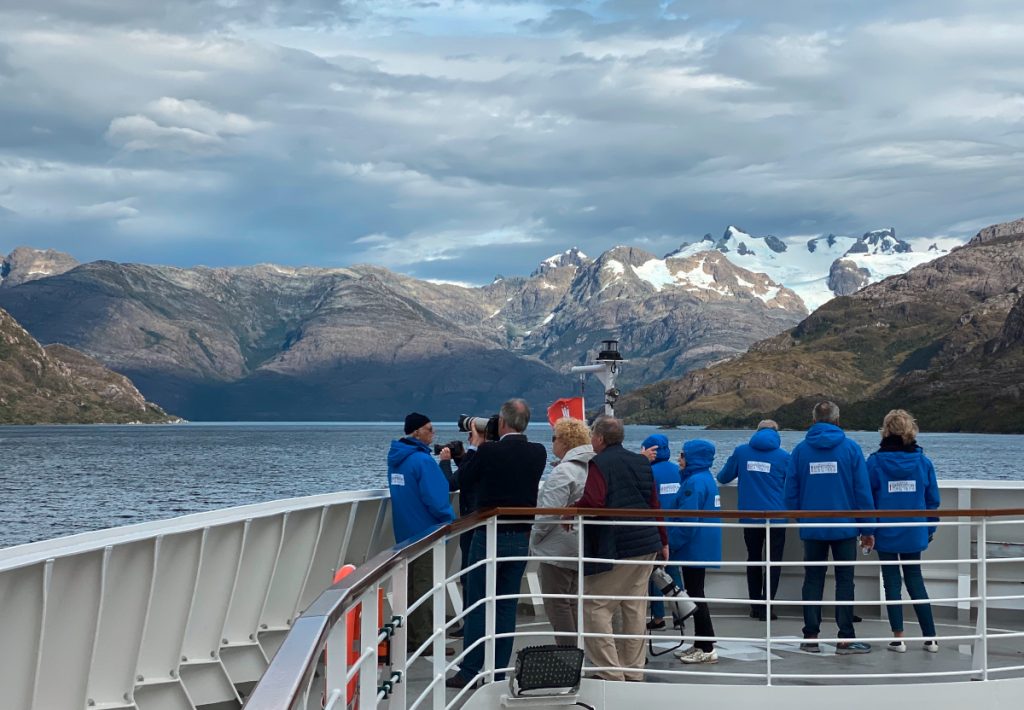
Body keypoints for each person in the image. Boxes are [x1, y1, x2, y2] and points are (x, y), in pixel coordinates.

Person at [446, 399, 547, 689]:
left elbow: (461, 479)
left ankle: (470, 671)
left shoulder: (488, 451)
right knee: (505, 606)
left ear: (502, 423)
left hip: (489, 535)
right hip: (520, 538)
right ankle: (499, 672)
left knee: (478, 604)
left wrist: (477, 445)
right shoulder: (538, 452)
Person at [576, 416, 667, 682]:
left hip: (620, 544)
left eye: (593, 435)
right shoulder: (641, 462)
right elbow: (654, 503)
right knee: (634, 607)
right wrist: (663, 540)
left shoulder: (600, 463)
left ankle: (610, 672)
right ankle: (633, 670)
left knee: (595, 606)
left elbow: (593, 500)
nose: (591, 439)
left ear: (600, 439)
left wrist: (571, 512)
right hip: (646, 542)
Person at [784, 401, 875, 654]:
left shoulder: (800, 451)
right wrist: (868, 530)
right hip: (845, 530)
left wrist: (801, 519)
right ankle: (845, 638)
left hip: (812, 529)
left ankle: (810, 637)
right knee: (845, 581)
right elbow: (862, 493)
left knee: (812, 579)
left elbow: (790, 493)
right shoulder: (851, 449)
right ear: (837, 420)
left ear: (813, 421)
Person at [867, 409, 941, 653]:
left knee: (891, 583)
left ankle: (898, 638)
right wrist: (928, 528)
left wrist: (868, 530)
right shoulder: (922, 462)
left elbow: (868, 500)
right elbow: (932, 500)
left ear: (886, 430)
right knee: (915, 580)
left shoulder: (875, 462)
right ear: (911, 430)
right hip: (913, 531)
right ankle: (930, 638)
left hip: (885, 531)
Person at [386, 412, 456, 655]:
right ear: (416, 432)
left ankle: (408, 637)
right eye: (428, 429)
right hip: (427, 532)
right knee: (425, 586)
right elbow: (436, 499)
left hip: (404, 532)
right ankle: (424, 639)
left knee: (408, 586)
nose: (432, 433)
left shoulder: (395, 459)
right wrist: (449, 520)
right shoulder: (423, 462)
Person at [716, 419, 791, 620]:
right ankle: (767, 607)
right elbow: (793, 486)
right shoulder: (784, 457)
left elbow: (723, 477)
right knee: (773, 562)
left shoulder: (742, 452)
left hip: (750, 516)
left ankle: (755, 605)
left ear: (756, 432)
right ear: (776, 433)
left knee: (754, 558)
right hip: (777, 517)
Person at [529, 417, 594, 640]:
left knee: (558, 604)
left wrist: (535, 539)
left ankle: (568, 653)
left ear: (565, 442)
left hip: (558, 549)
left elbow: (548, 512)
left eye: (554, 438)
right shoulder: (592, 467)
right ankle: (577, 650)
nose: (552, 443)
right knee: (574, 600)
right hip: (582, 545)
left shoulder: (564, 472)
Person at [670, 439, 722, 665]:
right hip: (701, 545)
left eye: (682, 455)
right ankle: (701, 643)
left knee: (696, 594)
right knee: (695, 592)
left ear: (692, 457)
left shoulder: (695, 482)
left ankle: (707, 645)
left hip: (693, 547)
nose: (679, 459)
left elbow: (686, 521)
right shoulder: (704, 479)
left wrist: (670, 544)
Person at [640, 433, 684, 630]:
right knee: (674, 572)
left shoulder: (648, 472)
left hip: (655, 530)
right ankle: (681, 613)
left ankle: (658, 617)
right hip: (676, 528)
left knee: (655, 574)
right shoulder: (679, 472)